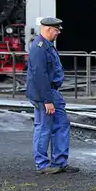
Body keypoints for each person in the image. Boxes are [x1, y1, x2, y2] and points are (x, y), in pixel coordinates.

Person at [25, 17, 79, 174]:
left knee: (61, 125)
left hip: (52, 92)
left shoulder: (46, 45)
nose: (58, 33)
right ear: (48, 29)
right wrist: (47, 100)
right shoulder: (39, 47)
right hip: (45, 95)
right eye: (56, 30)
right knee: (43, 128)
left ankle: (59, 162)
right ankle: (42, 165)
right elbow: (39, 76)